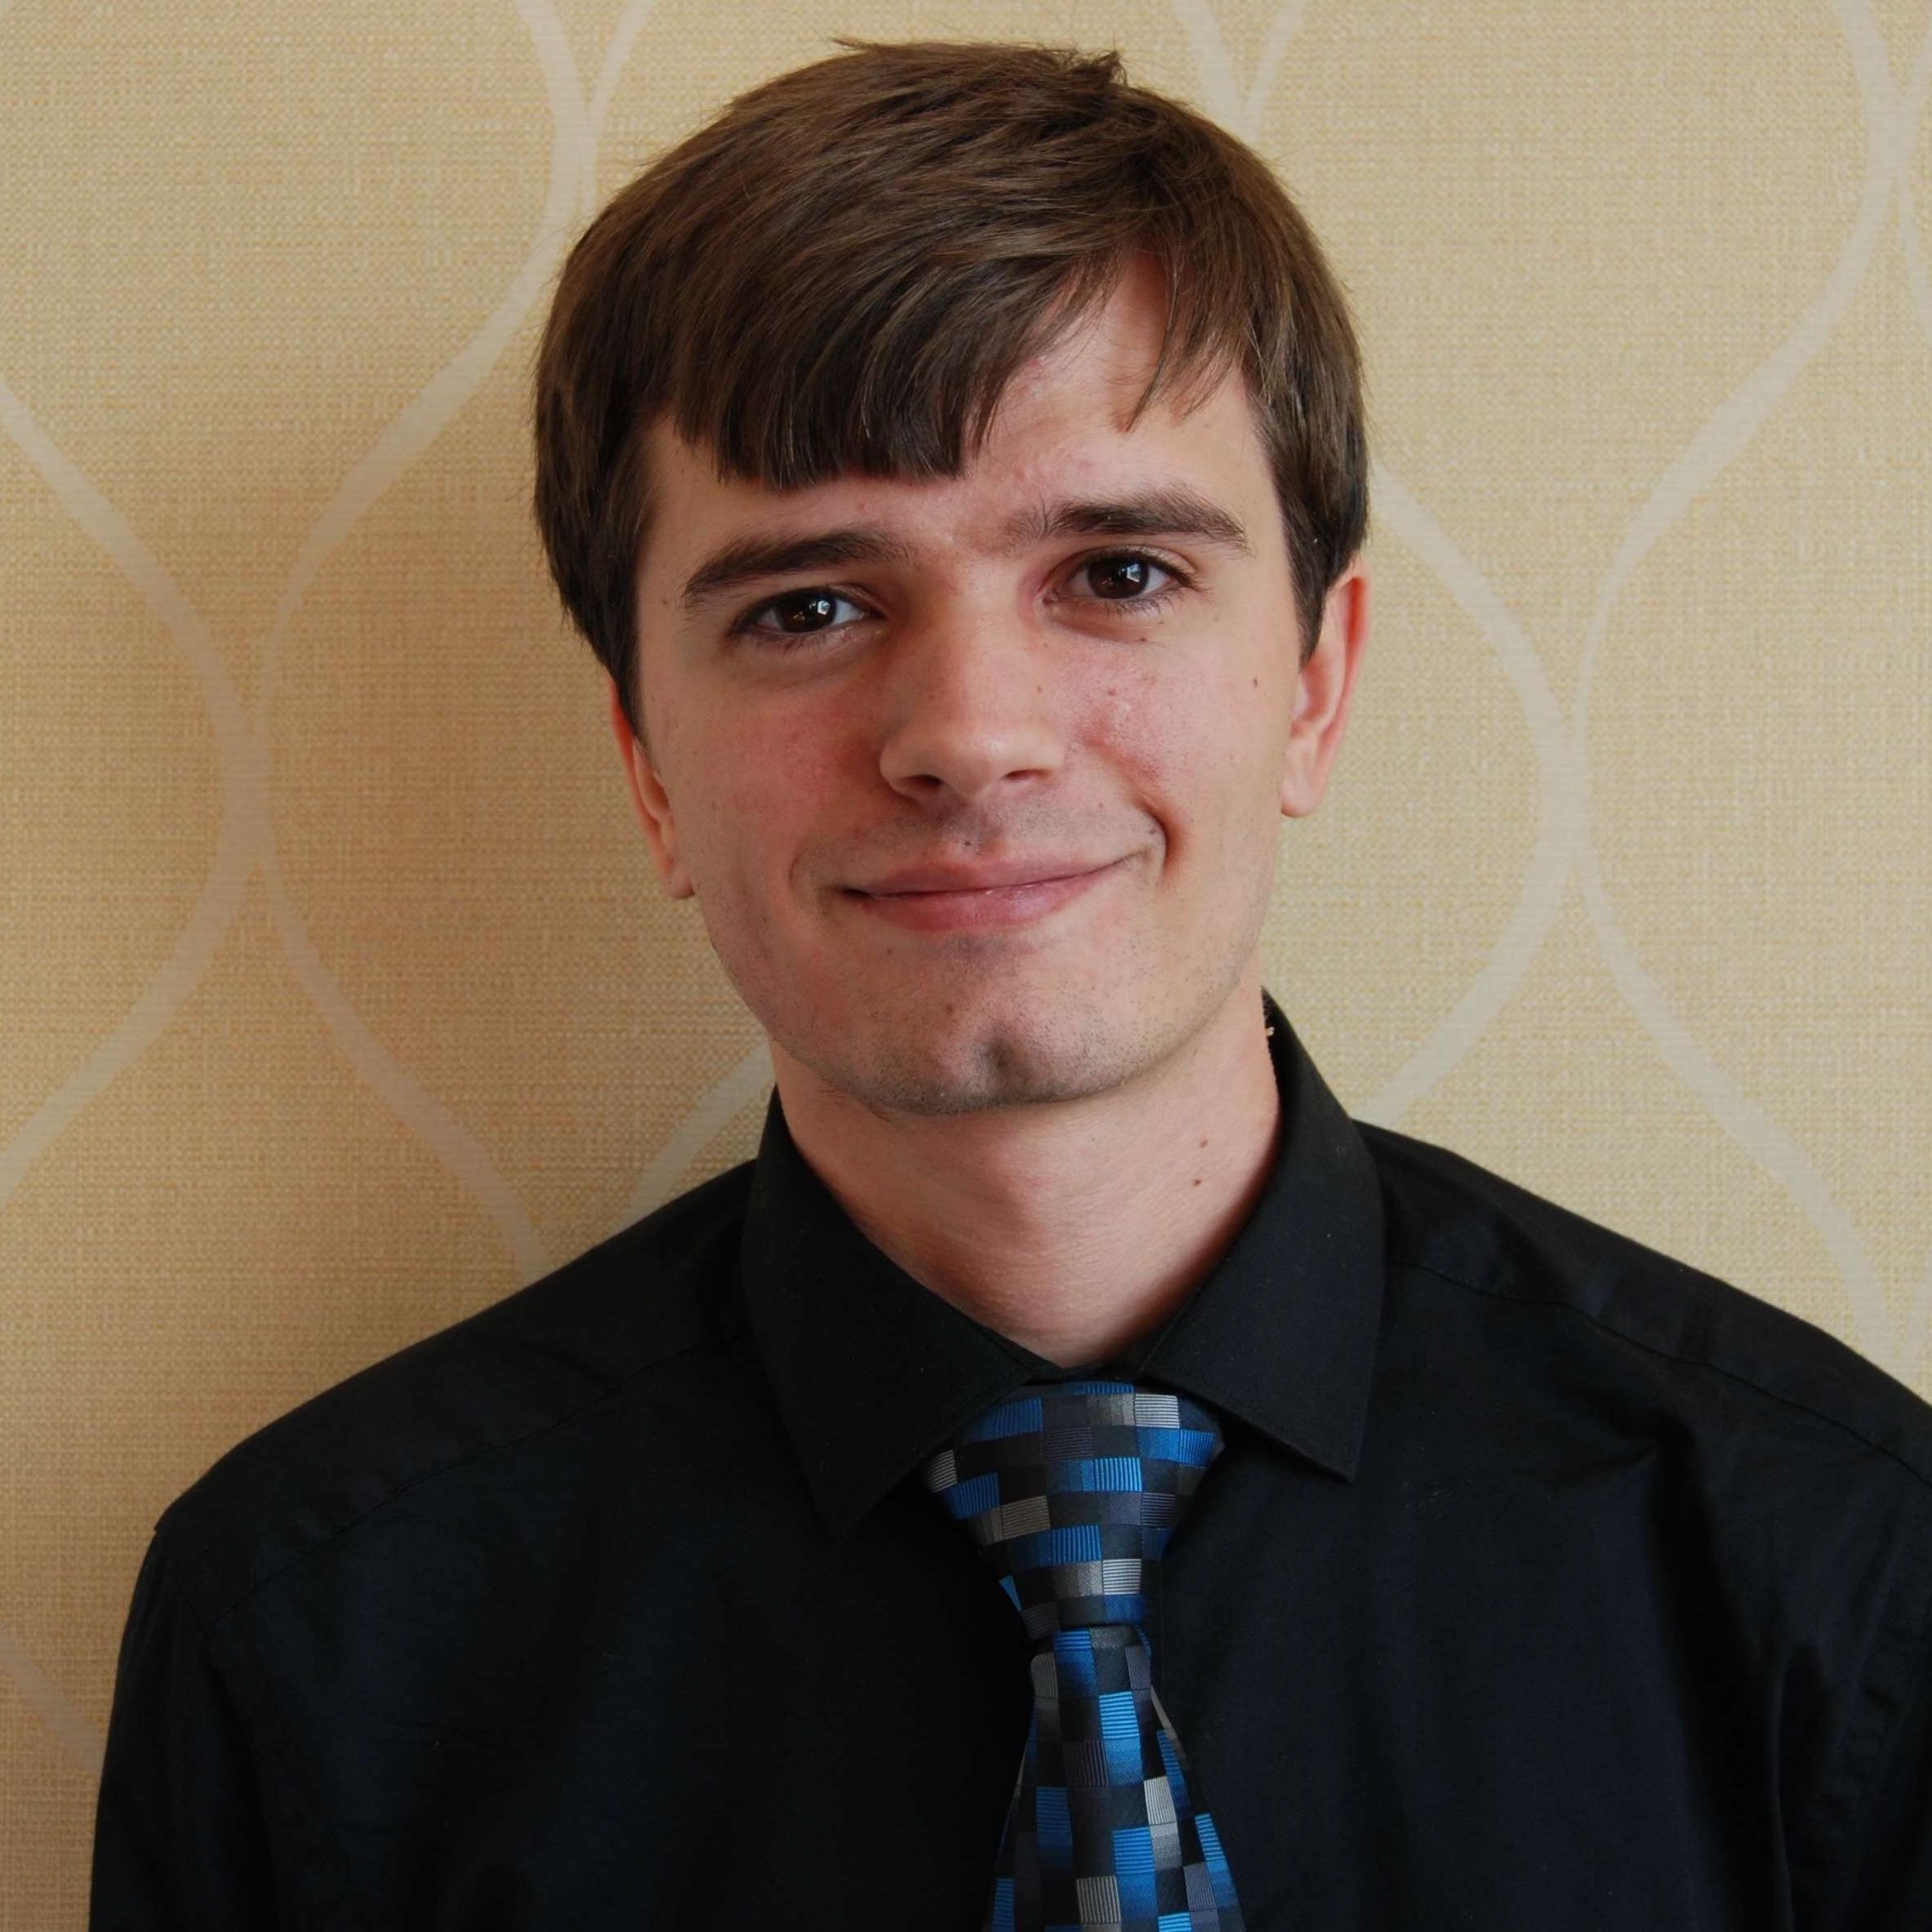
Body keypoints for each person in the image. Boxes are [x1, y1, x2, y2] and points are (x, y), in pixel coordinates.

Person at [89, 36, 1930, 1932]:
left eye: (1117, 572)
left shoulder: (1838, 1569)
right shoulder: (314, 1637)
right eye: (808, 606)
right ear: (646, 768)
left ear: (1315, 685)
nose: (969, 734)